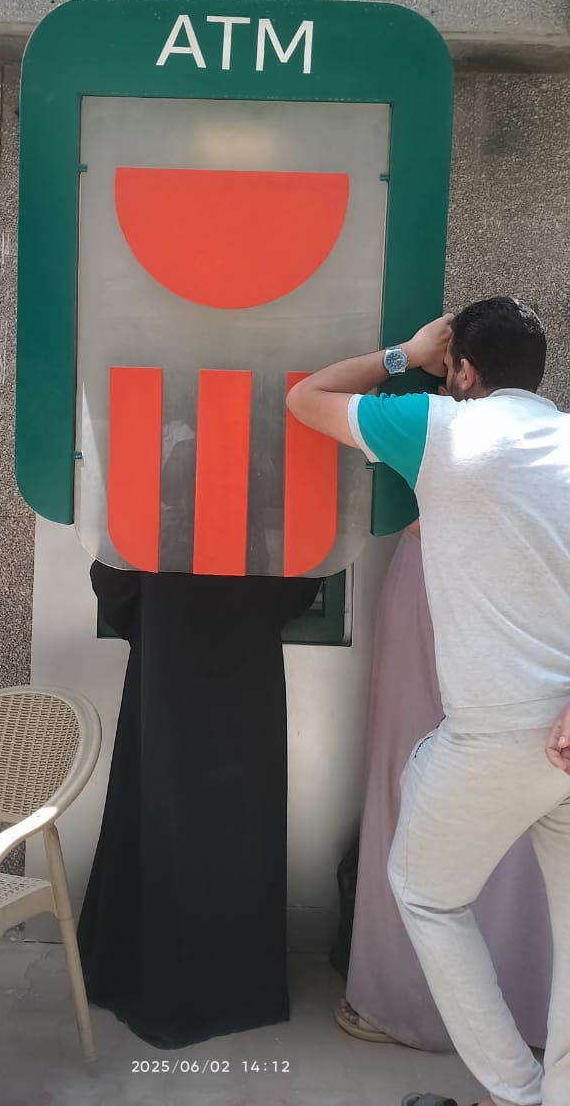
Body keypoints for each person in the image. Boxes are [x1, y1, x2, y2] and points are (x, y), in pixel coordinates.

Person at [287, 297, 570, 1106]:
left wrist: (406, 356)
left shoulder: (440, 428)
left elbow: (305, 398)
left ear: (465, 372)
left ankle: (514, 1092)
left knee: (425, 892)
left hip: (500, 734)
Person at [77, 562, 319, 1048]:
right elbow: (304, 576)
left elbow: (113, 575)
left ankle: (148, 975)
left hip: (167, 652)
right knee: (242, 821)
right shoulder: (271, 508)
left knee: (160, 806)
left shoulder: (156, 507)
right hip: (250, 661)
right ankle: (240, 985)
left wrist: (153, 614)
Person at [336, 526, 552, 1051]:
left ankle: (405, 1001)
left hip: (442, 555)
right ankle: (524, 1006)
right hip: (537, 569)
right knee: (525, 777)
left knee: (414, 775)